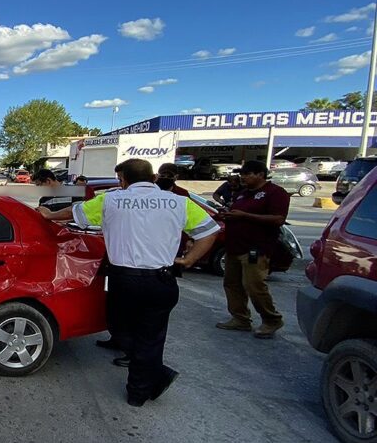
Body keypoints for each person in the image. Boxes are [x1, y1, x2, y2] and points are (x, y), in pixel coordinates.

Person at [42, 159, 220, 406]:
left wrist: (49, 214)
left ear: (122, 179)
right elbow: (210, 231)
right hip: (162, 279)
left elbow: (74, 213)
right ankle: (144, 386)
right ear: (154, 178)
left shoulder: (112, 199)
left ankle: (145, 384)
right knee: (152, 337)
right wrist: (189, 259)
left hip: (124, 279)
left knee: (119, 327)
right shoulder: (179, 202)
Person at [215, 160, 290, 339]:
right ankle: (240, 318)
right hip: (234, 246)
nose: (243, 178)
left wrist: (245, 216)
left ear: (260, 175)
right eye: (242, 174)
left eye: (247, 174)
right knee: (232, 284)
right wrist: (228, 215)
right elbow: (238, 213)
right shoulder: (243, 194)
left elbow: (278, 219)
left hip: (256, 248)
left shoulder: (275, 193)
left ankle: (271, 319)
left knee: (254, 285)